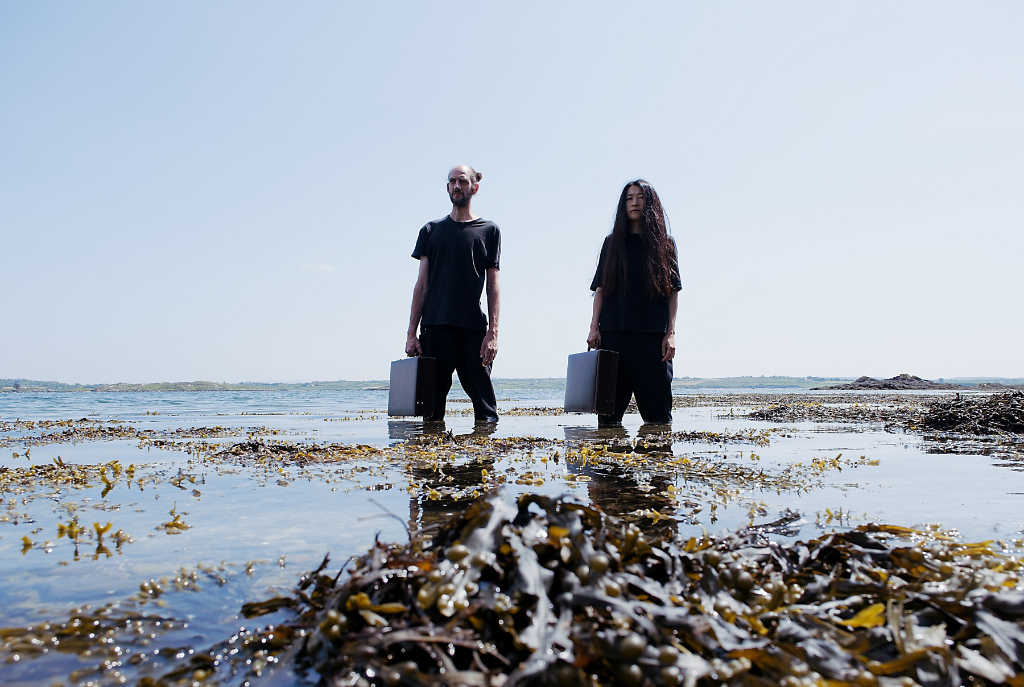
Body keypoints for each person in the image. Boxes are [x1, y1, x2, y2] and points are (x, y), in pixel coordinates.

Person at [405, 165, 501, 424]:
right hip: (434, 329)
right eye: (452, 181)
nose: (457, 186)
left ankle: (484, 450)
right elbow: (421, 285)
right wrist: (411, 333)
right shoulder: (430, 230)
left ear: (474, 187)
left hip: (472, 330)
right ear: (447, 187)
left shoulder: (489, 231)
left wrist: (492, 334)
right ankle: (431, 451)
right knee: (430, 413)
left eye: (463, 181)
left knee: (486, 413)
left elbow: (493, 285)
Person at [587, 180, 681, 426]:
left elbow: (673, 292)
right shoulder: (612, 243)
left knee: (659, 420)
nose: (635, 203)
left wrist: (670, 333)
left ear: (650, 203)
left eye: (640, 197)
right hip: (613, 337)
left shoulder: (665, 244)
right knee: (607, 420)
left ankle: (657, 454)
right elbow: (600, 289)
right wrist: (594, 328)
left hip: (652, 340)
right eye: (629, 198)